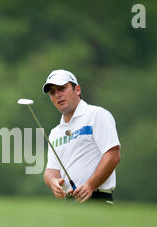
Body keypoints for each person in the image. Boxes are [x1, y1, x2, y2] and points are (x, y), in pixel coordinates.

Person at [42, 69, 121, 204]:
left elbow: (113, 155)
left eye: (62, 88)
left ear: (77, 90)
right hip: (70, 202)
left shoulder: (97, 115)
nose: (57, 95)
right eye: (52, 92)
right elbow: (51, 170)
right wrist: (53, 182)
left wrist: (90, 185)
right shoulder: (55, 132)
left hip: (98, 199)